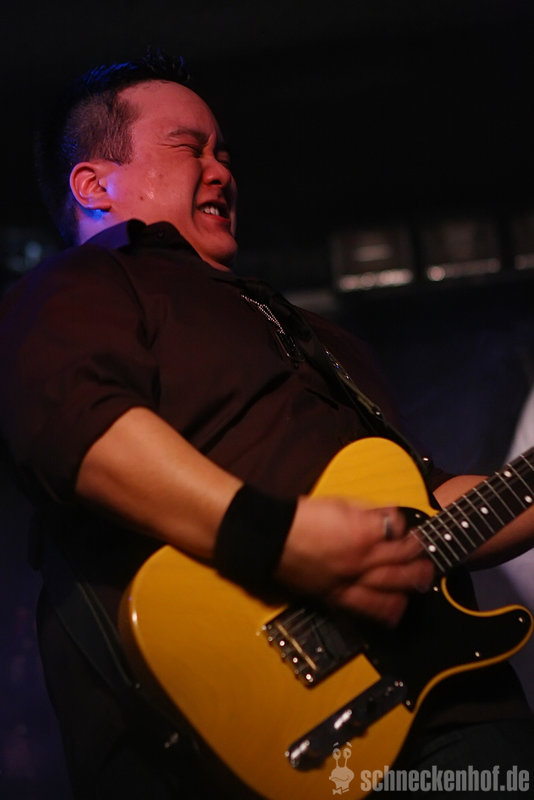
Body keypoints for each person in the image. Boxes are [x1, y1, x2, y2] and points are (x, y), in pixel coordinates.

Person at [1, 49, 534, 799]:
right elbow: (76, 423)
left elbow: (421, 505)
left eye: (223, 153)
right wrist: (275, 538)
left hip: (449, 708)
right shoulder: (75, 285)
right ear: (94, 184)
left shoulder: (324, 338)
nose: (220, 170)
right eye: (190, 148)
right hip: (219, 737)